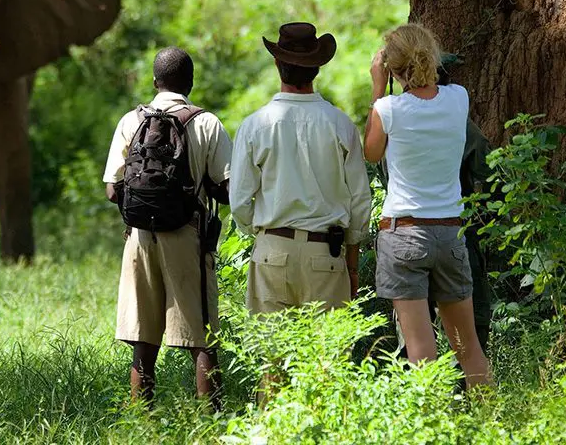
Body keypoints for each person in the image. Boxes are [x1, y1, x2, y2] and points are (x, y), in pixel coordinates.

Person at [364, 23, 492, 389]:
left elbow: (371, 154)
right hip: (451, 232)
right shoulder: (459, 98)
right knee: (468, 348)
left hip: (404, 233)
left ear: (391, 68)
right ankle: (489, 424)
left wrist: (377, 88)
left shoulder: (387, 108)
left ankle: (431, 430)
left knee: (421, 350)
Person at [103, 46, 232, 409]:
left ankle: (141, 420)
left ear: (155, 81)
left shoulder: (131, 120)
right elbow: (226, 187)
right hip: (186, 235)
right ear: (189, 82)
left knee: (143, 341)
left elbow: (113, 189)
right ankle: (212, 420)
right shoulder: (205, 122)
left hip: (140, 238)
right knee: (202, 334)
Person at [230, 22, 372, 316]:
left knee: (272, 357)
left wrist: (260, 233)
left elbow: (240, 201)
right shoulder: (340, 124)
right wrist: (352, 264)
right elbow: (360, 200)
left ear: (276, 63)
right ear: (317, 68)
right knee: (328, 359)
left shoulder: (255, 125)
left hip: (272, 250)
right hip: (326, 254)